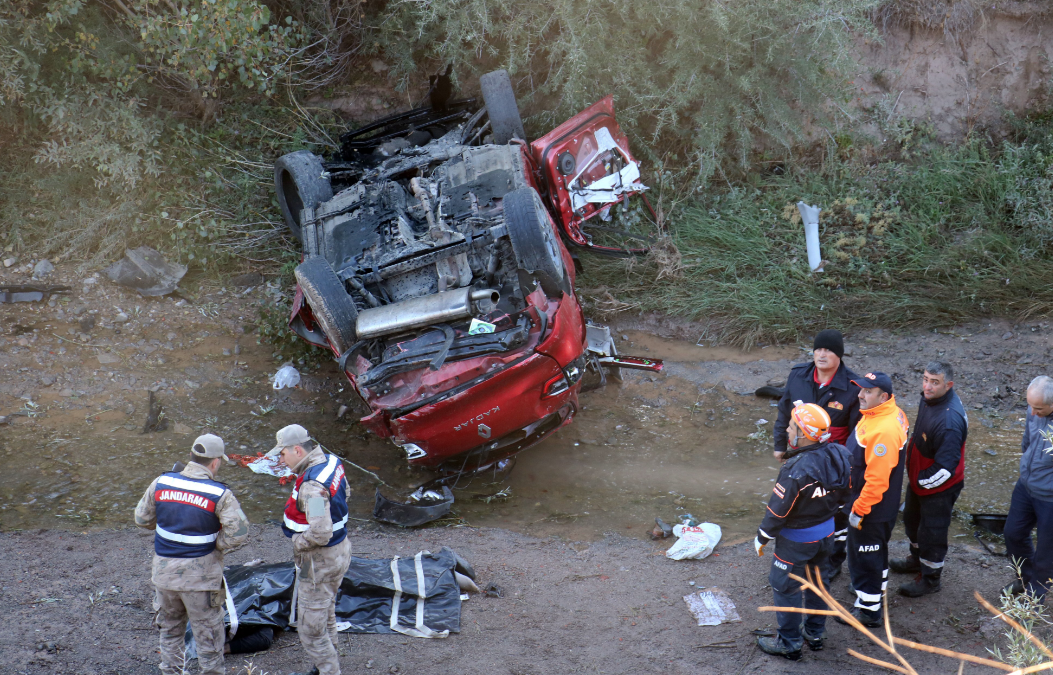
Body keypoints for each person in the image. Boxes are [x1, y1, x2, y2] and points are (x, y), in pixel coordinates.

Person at [134, 434, 250, 675]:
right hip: (204, 581)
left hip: (164, 577)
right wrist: (217, 545)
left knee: (170, 631)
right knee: (210, 636)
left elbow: (141, 519)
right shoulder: (220, 494)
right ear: (216, 462)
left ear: (191, 456)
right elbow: (239, 532)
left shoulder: (162, 482)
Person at [755, 403, 853, 661]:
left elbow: (778, 511)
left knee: (785, 586)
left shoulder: (795, 469)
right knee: (819, 584)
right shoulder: (841, 453)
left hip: (796, 542)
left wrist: (762, 537)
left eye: (791, 425)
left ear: (804, 432)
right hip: (826, 536)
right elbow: (846, 495)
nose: (787, 429)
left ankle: (789, 643)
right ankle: (816, 634)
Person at [774, 328, 862, 578]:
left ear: (839, 356)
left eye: (829, 350)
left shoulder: (853, 387)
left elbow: (857, 432)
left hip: (835, 462)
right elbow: (784, 412)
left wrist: (847, 465)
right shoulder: (798, 376)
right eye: (818, 349)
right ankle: (800, 554)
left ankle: (833, 560)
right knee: (797, 505)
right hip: (798, 457)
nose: (822, 355)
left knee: (836, 511)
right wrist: (780, 446)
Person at [271, 424, 352, 675]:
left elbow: (320, 532)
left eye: (282, 453)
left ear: (297, 450)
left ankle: (329, 671)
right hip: (340, 551)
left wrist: (297, 543)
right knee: (325, 611)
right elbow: (346, 492)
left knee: (310, 629)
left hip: (318, 562)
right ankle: (324, 666)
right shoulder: (330, 462)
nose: (280, 459)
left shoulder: (312, 486)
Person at [890, 361, 968, 597]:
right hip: (921, 480)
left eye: (934, 382)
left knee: (932, 532)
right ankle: (917, 560)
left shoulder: (949, 422)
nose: (927, 386)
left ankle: (931, 579)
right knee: (912, 522)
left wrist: (920, 482)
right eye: (925, 379)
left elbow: (946, 468)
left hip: (938, 487)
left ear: (948, 385)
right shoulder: (930, 399)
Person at [840, 372, 909, 627]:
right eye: (861, 389)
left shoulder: (884, 429)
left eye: (867, 391)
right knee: (876, 552)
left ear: (883, 396)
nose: (860, 395)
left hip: (871, 507)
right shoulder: (887, 413)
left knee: (864, 556)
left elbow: (877, 479)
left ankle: (868, 612)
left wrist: (858, 509)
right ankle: (873, 594)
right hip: (882, 505)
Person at [1002, 375, 1053, 599]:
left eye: (1039, 408)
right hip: (1026, 486)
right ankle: (1026, 578)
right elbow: (1027, 441)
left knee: (1046, 552)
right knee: (1012, 533)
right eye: (1030, 406)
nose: (1032, 413)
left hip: (1050, 498)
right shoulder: (1034, 409)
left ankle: (1035, 597)